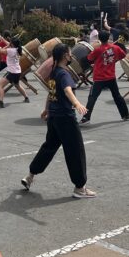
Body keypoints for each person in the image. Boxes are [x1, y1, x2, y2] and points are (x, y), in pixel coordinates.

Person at [21, 44, 96, 198]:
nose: (71, 56)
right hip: (65, 118)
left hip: (54, 118)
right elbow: (68, 90)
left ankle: (30, 176)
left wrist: (46, 109)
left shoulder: (54, 72)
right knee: (75, 151)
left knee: (49, 147)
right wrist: (77, 104)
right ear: (64, 56)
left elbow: (51, 93)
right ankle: (80, 188)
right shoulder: (64, 74)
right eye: (70, 54)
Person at [80, 31, 129, 124]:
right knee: (117, 96)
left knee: (92, 97)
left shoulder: (98, 50)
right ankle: (125, 115)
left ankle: (86, 118)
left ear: (99, 39)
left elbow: (88, 59)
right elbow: (123, 55)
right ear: (108, 38)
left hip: (99, 78)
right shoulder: (115, 47)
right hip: (111, 77)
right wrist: (114, 60)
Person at [0, 37, 30, 108]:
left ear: (12, 44)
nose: (9, 43)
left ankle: (1, 102)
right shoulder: (18, 49)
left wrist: (0, 47)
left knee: (0, 86)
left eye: (10, 42)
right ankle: (26, 98)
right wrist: (3, 39)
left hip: (12, 72)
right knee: (17, 85)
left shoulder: (10, 50)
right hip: (17, 72)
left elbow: (1, 51)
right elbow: (9, 44)